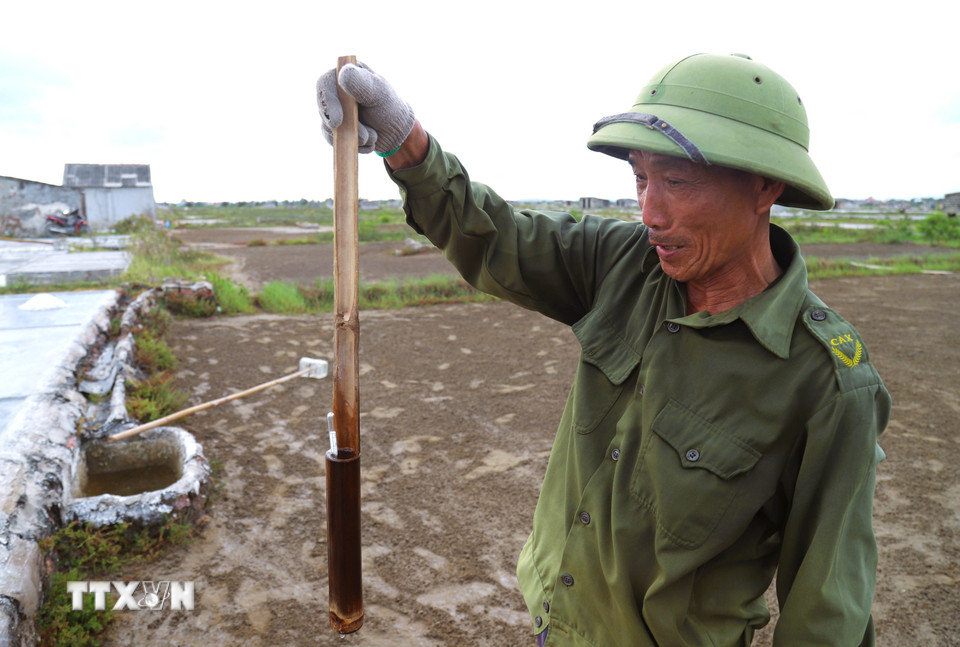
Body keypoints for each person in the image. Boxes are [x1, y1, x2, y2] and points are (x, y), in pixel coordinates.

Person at [316, 53, 890, 646]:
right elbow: (496, 238)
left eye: (676, 182)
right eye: (640, 179)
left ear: (765, 186)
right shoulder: (622, 263)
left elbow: (827, 612)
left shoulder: (826, 381)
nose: (650, 213)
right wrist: (403, 140)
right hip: (555, 626)